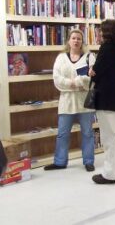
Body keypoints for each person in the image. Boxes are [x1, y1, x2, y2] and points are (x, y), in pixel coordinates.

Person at [44, 29, 96, 172]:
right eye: (73, 38)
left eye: (79, 38)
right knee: (62, 133)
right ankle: (60, 162)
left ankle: (89, 161)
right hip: (66, 102)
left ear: (82, 41)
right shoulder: (61, 58)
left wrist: (75, 82)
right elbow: (57, 79)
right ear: (69, 40)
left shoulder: (89, 57)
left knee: (87, 133)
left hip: (84, 102)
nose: (76, 41)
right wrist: (74, 84)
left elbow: (91, 79)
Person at [89, 19, 115, 184]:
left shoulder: (105, 49)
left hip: (105, 98)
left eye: (100, 31)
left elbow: (95, 71)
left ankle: (110, 174)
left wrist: (91, 70)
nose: (98, 33)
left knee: (109, 137)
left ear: (105, 32)